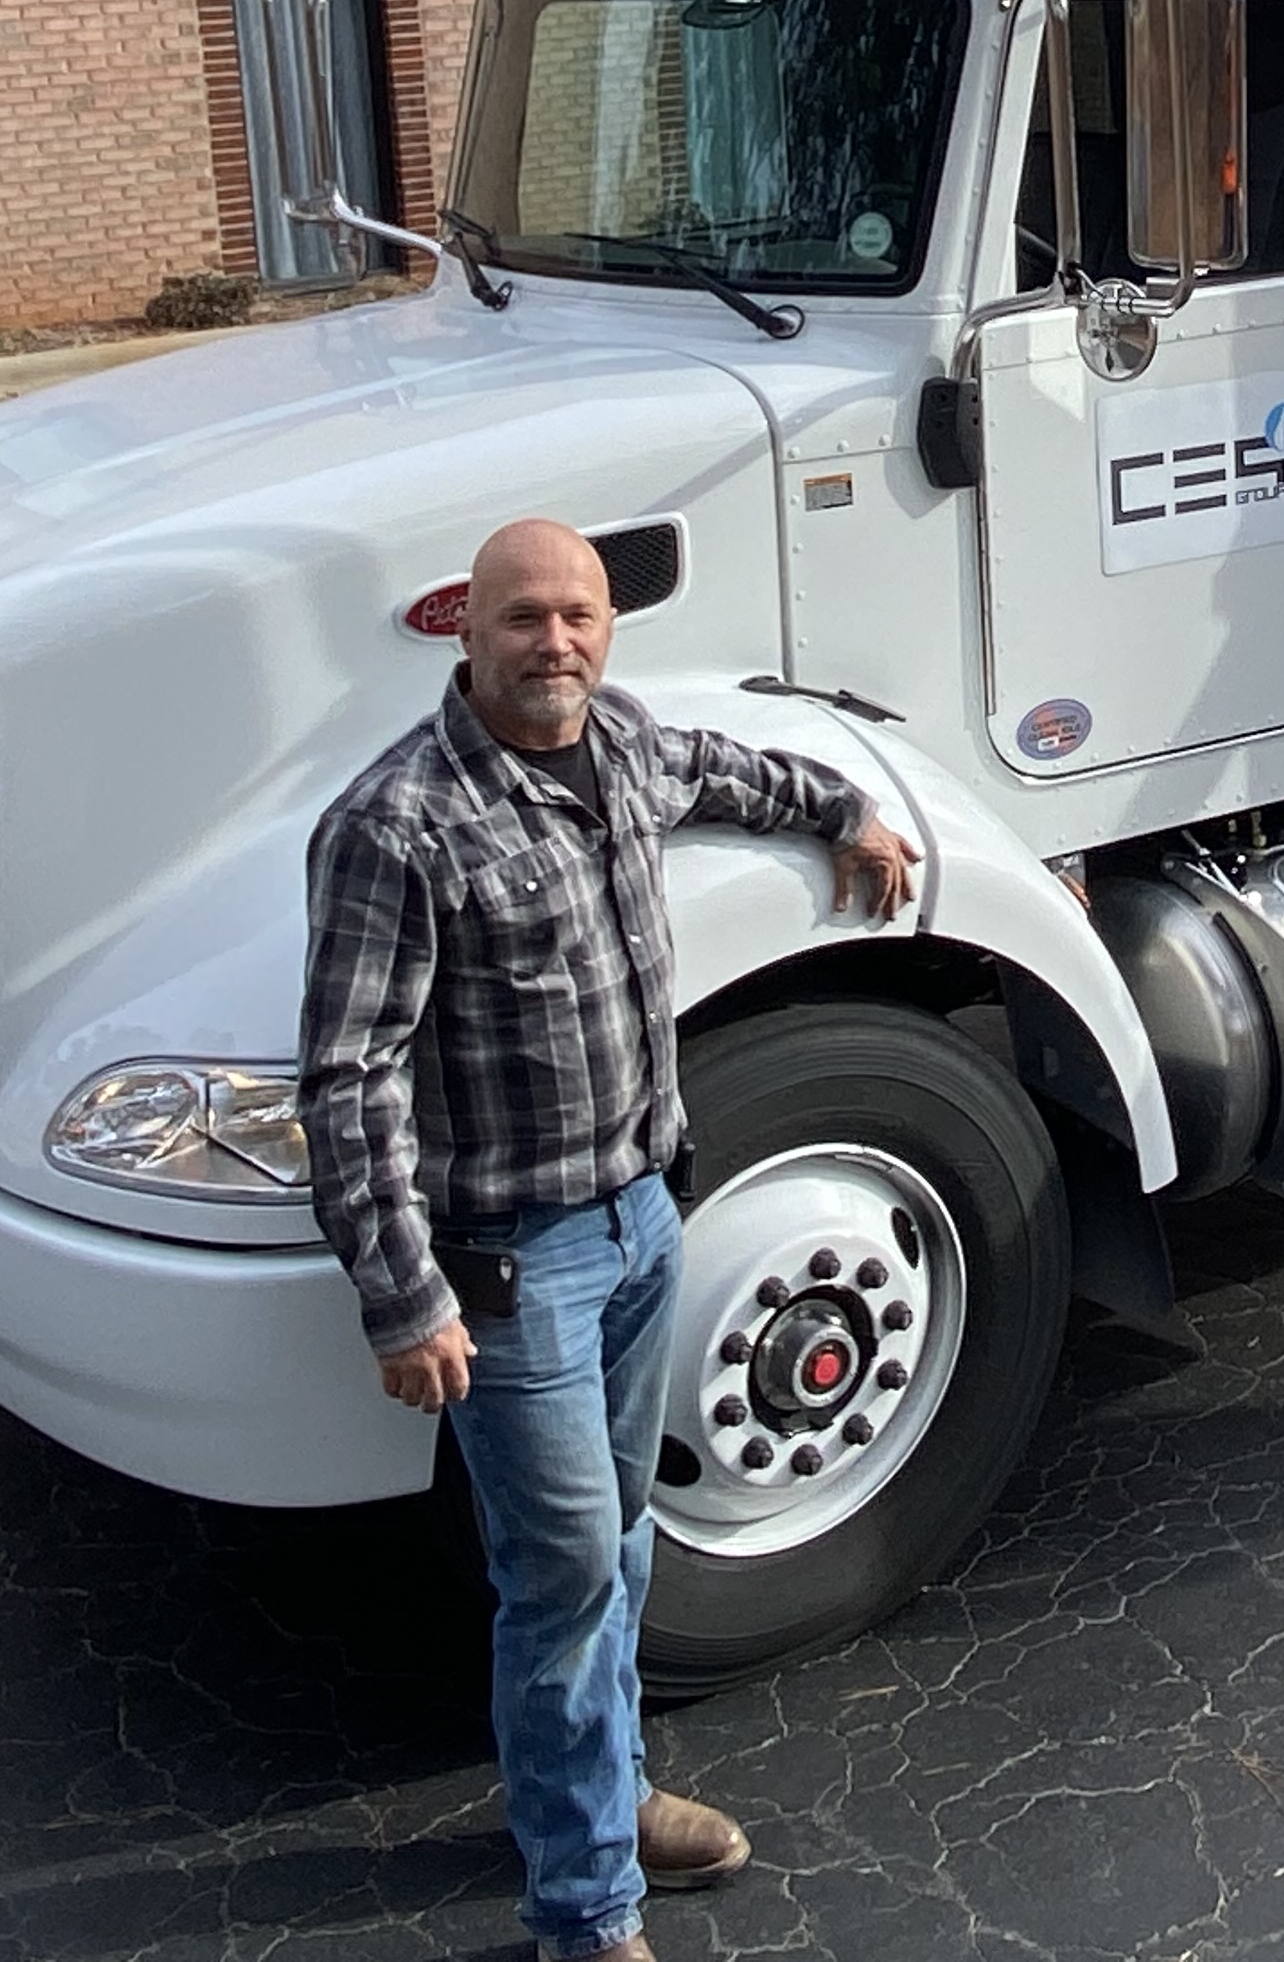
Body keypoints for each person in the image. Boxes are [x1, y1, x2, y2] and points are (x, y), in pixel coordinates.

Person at [300, 517, 923, 1962]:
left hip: (645, 1221)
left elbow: (739, 771)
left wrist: (846, 814)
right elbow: (347, 1076)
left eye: (578, 614)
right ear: (466, 632)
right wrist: (402, 1298)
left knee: (621, 1546)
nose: (555, 641)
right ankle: (587, 1914)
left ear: (608, 628)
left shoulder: (626, 743)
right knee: (566, 1574)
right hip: (513, 1267)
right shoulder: (397, 826)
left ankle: (608, 1794)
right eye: (523, 617)